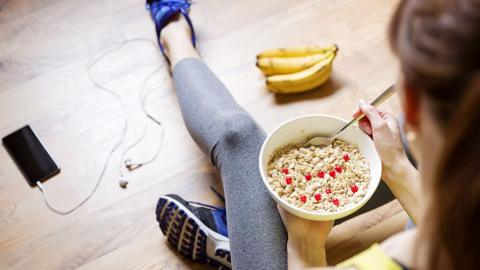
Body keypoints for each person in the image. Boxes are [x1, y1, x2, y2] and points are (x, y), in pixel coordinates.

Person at [148, 0, 480, 269]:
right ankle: (247, 228)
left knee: (240, 137)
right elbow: (450, 235)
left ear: (409, 100)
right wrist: (395, 166)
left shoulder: (399, 257)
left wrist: (304, 243)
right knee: (409, 151)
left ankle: (174, 34)